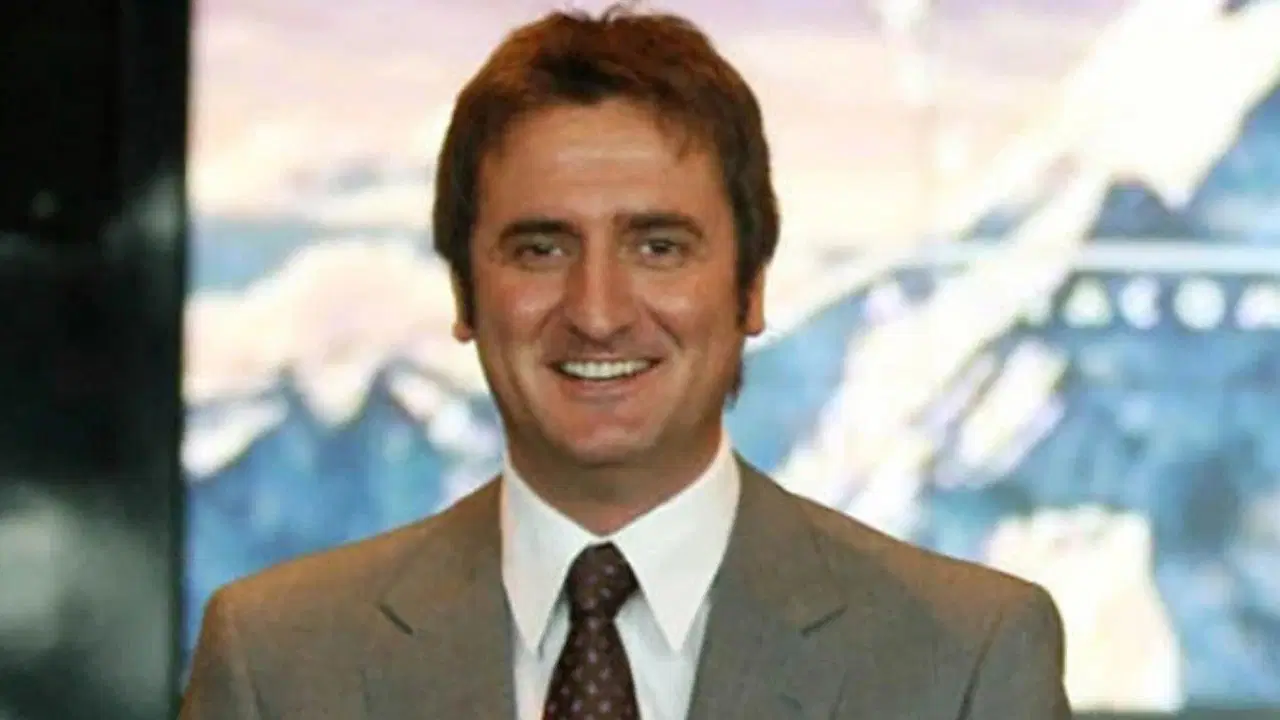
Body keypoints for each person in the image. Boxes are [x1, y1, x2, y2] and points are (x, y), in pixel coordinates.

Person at [181, 5, 1072, 719]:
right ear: (462, 294)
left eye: (658, 247)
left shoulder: (968, 660)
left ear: (752, 288)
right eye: (540, 249)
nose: (598, 312)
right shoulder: (277, 663)